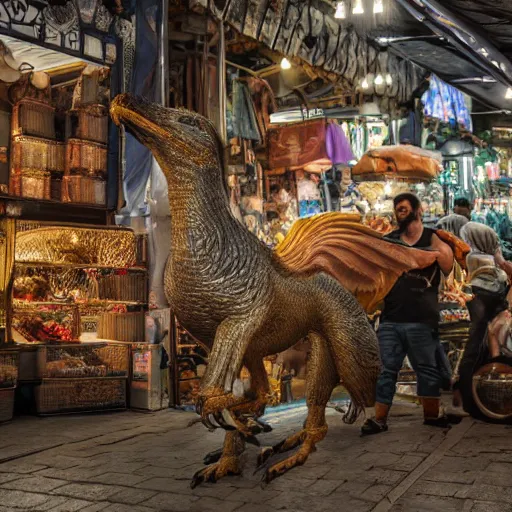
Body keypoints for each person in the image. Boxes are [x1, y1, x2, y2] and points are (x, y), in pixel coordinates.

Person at [361, 192, 454, 435]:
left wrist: (429, 253)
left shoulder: (432, 237)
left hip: (422, 319)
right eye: (397, 210)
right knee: (386, 369)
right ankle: (379, 419)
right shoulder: (391, 239)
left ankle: (432, 415)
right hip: (391, 318)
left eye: (403, 209)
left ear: (417, 210)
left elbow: (447, 264)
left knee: (427, 369)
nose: (399, 213)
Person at [456, 222, 512, 417]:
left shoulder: (473, 258)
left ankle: (472, 404)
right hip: (495, 312)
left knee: (471, 354)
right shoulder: (496, 262)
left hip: (479, 305)